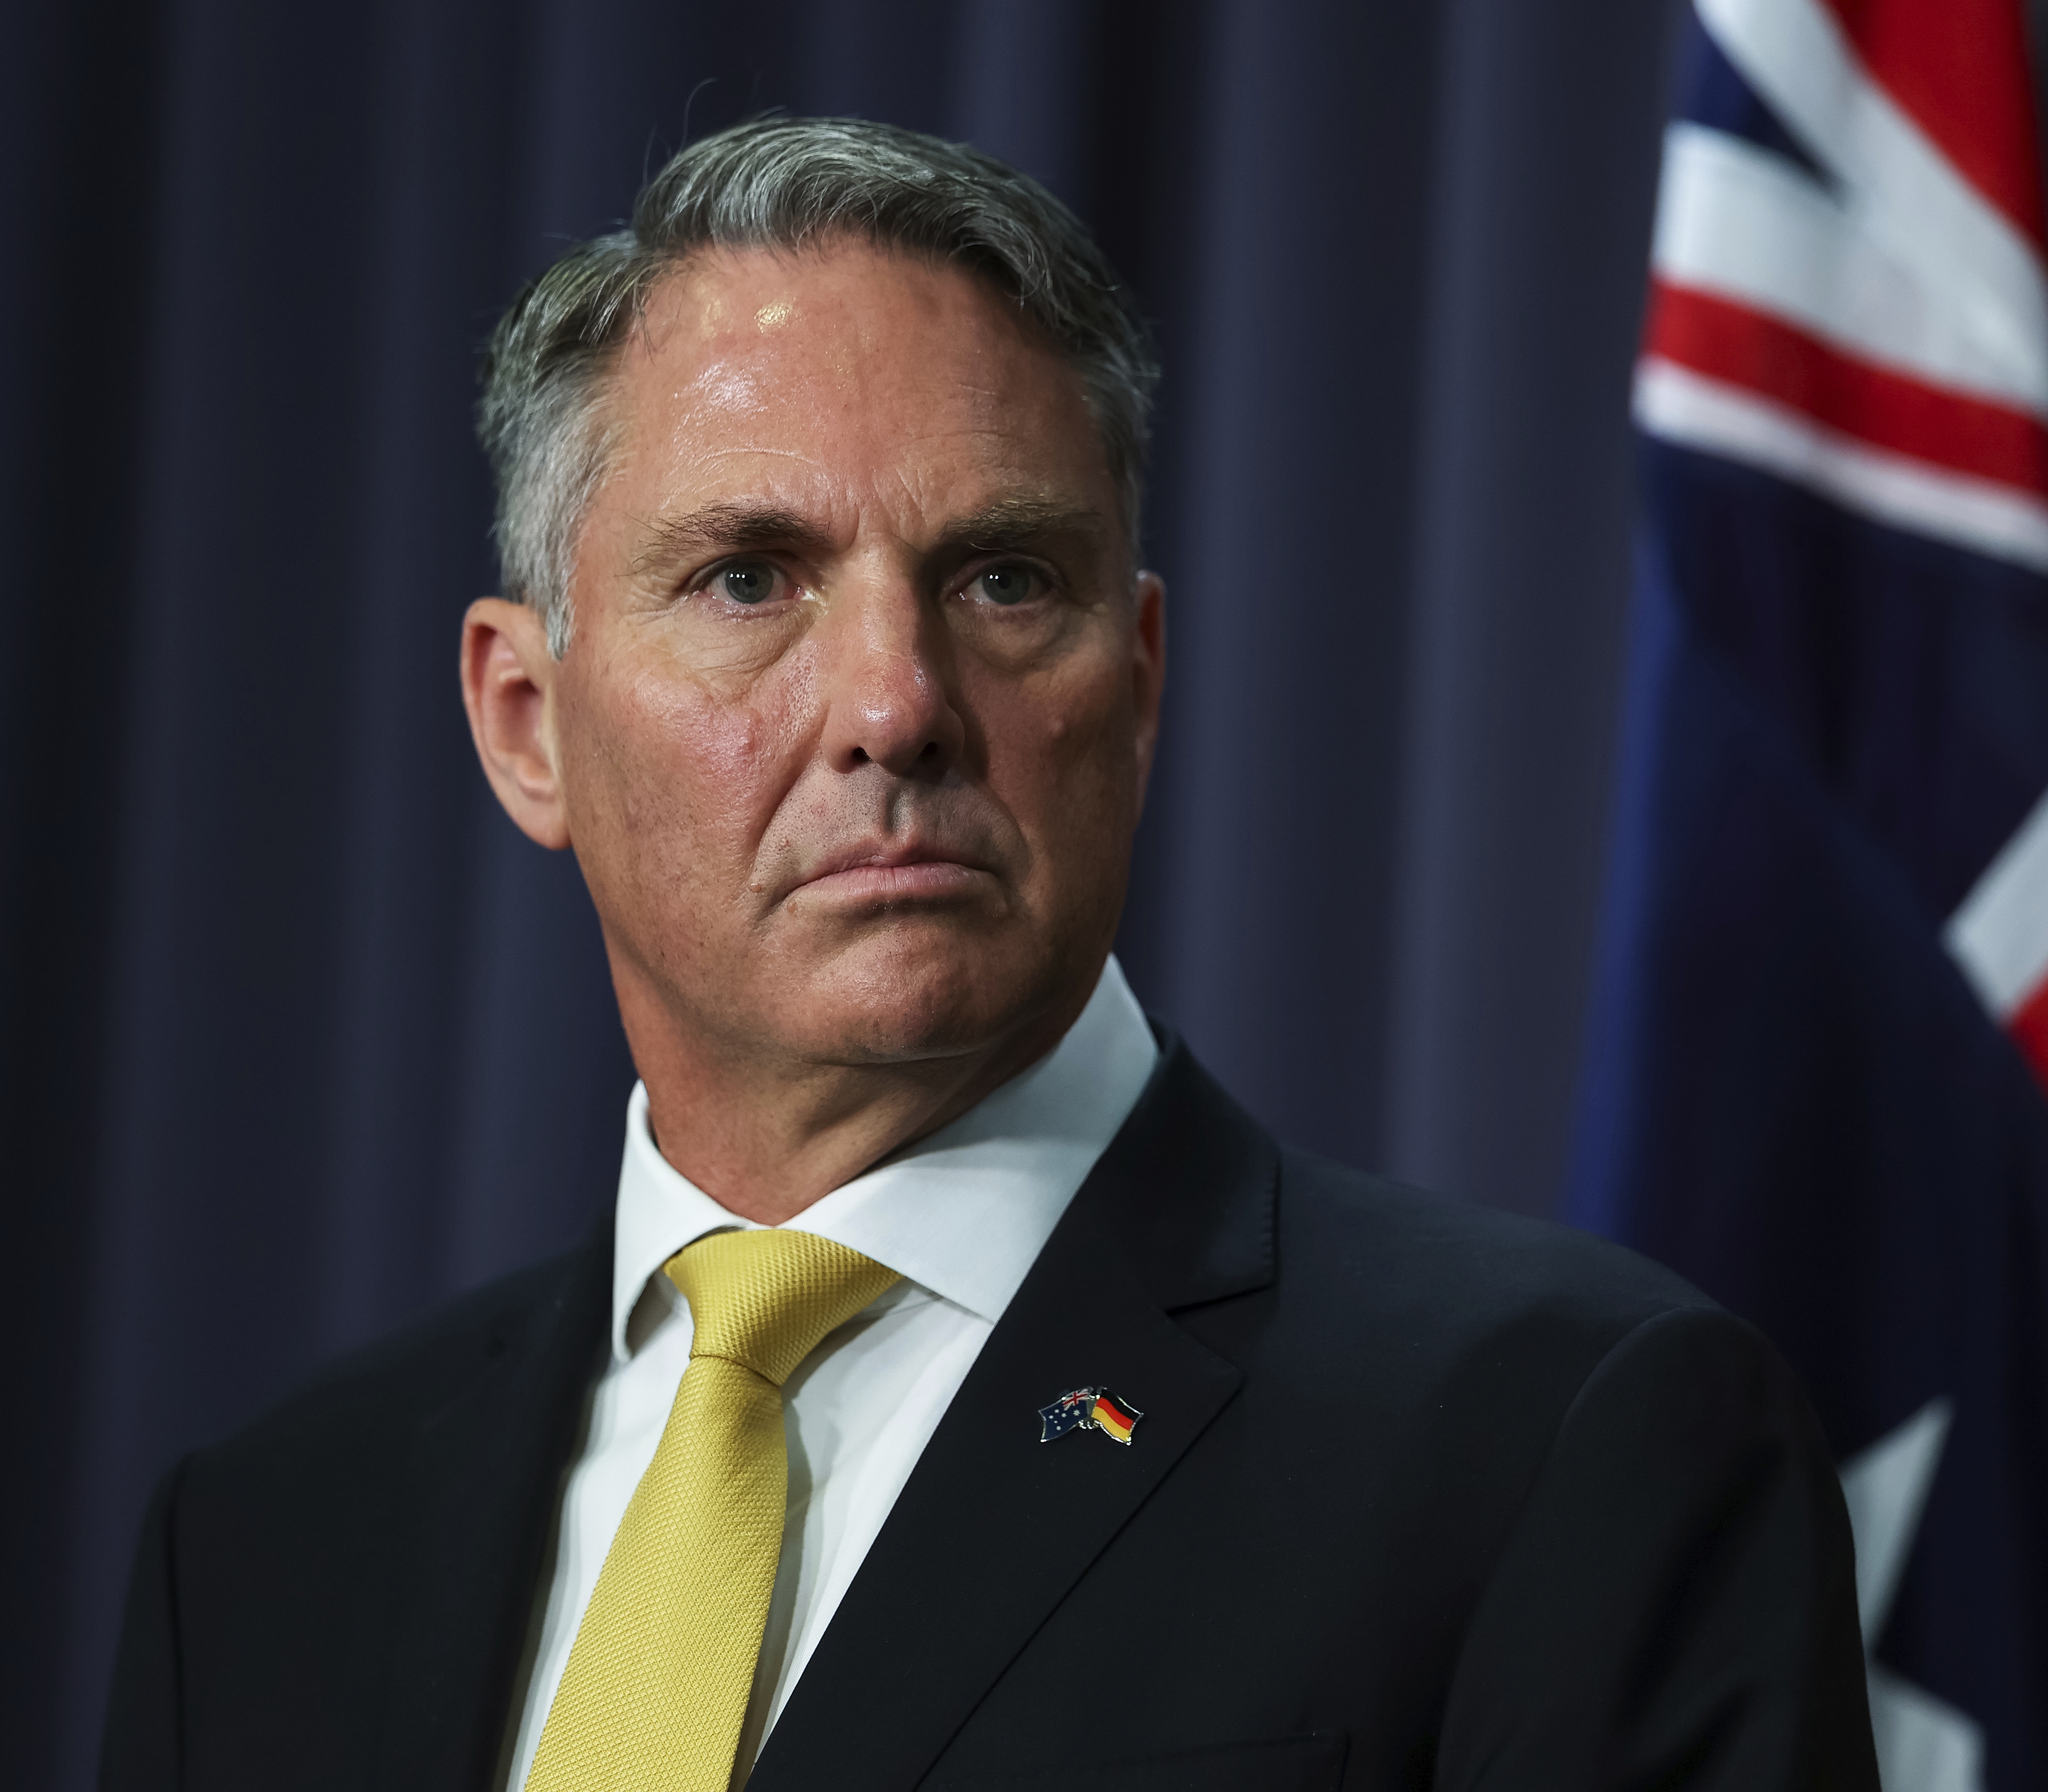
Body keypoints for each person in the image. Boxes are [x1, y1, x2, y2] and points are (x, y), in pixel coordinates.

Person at [99, 117, 1876, 1792]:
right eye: (747, 579)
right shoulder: (266, 1547)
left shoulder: (1562, 1442)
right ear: (524, 722)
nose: (895, 703)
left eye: (1005, 579)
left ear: (1142, 680)